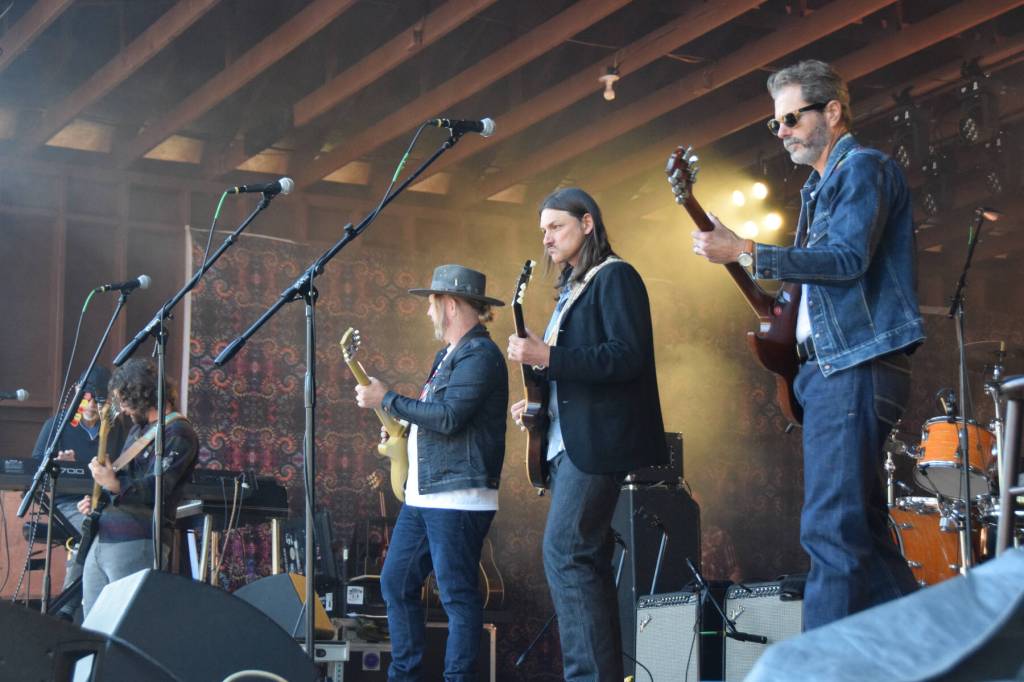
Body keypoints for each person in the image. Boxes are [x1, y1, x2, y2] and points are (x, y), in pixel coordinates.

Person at [691, 59, 925, 629]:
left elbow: (846, 261)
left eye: (792, 117)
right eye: (775, 123)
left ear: (834, 111)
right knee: (862, 530)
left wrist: (748, 249)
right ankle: (938, 652)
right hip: (836, 370)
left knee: (829, 529)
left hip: (853, 368)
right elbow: (810, 294)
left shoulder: (861, 168)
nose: (782, 131)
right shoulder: (822, 187)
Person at [508, 187, 668, 681]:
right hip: (567, 443)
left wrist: (548, 357)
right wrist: (537, 403)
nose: (547, 238)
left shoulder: (615, 277)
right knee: (586, 560)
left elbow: (627, 356)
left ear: (588, 224)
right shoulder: (571, 290)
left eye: (556, 226)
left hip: (596, 444)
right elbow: (574, 376)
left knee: (567, 552)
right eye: (543, 231)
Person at [354, 264, 508, 682]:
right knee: (396, 582)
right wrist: (398, 431)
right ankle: (405, 676)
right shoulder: (448, 356)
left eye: (431, 303)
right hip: (426, 495)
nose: (427, 313)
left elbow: (450, 416)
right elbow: (433, 419)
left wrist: (388, 398)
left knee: (457, 595)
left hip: (459, 497)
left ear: (452, 304)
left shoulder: (481, 355)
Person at [77, 358, 199, 615]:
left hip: (137, 538)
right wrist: (98, 499)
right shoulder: (138, 431)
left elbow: (157, 487)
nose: (122, 410)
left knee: (125, 623)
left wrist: (115, 484)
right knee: (91, 626)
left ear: (142, 396)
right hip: (104, 537)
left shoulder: (178, 432)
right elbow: (123, 482)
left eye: (125, 401)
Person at [30, 365, 124, 619]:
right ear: (78, 396)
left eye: (99, 401)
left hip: (107, 499)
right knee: (91, 527)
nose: (92, 406)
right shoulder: (57, 425)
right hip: (67, 502)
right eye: (87, 399)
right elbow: (33, 471)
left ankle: (114, 606)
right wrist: (58, 466)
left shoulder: (117, 429)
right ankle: (67, 609)